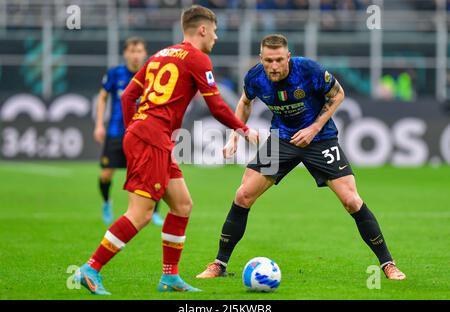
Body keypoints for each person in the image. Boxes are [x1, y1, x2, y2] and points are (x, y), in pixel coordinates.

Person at [75, 5, 258, 295]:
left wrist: (132, 127)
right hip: (152, 139)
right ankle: (90, 268)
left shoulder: (160, 54)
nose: (217, 37)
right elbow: (218, 107)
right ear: (202, 29)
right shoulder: (198, 59)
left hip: (151, 136)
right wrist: (245, 131)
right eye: (215, 30)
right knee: (141, 214)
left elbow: (129, 96)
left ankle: (169, 277)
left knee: (182, 205)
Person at [196, 34, 406, 281]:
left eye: (278, 60)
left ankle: (388, 264)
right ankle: (219, 264)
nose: (273, 66)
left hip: (320, 138)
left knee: (351, 200)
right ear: (261, 59)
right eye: (268, 61)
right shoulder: (255, 76)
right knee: (243, 195)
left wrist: (314, 128)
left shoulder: (309, 69)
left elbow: (338, 95)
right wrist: (235, 135)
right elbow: (244, 102)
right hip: (282, 140)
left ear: (288, 57)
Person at [94, 37, 164, 226]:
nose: (135, 55)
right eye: (132, 51)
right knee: (106, 174)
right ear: (125, 53)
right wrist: (99, 124)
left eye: (139, 51)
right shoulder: (115, 73)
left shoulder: (153, 73)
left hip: (144, 133)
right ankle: (107, 202)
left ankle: (154, 212)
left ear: (145, 53)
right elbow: (102, 98)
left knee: (152, 173)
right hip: (117, 131)